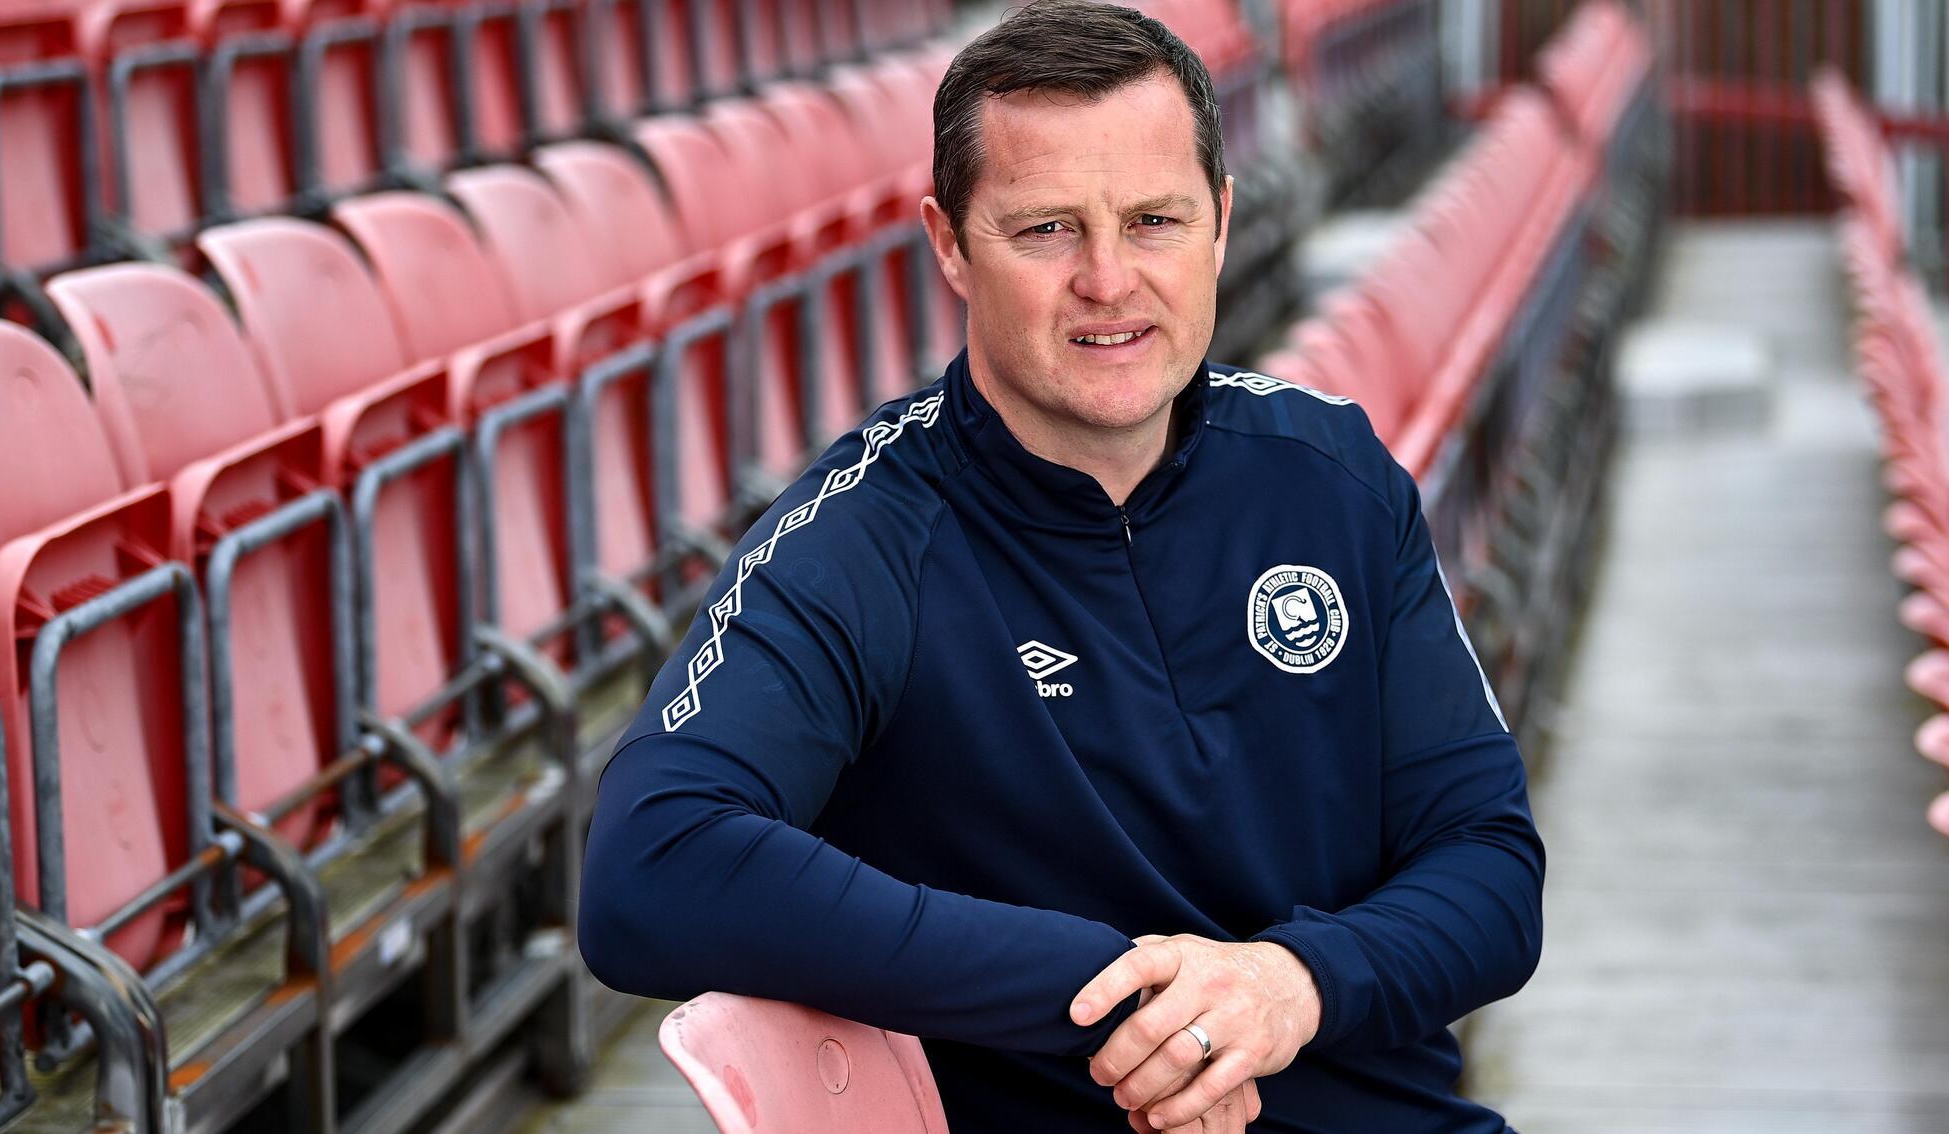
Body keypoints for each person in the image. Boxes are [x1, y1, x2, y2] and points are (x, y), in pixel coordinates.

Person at [578, 2, 1544, 1130]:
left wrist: (1288, 985)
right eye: (1045, 230)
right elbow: (650, 865)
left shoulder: (1334, 474)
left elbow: (1488, 868)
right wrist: (1121, 1000)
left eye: (1154, 221)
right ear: (949, 244)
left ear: (1221, 224)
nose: (1107, 278)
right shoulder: (859, 541)